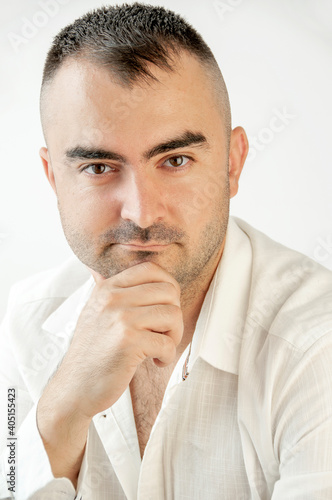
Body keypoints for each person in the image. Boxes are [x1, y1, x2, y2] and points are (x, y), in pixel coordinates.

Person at [0, 3, 332, 499]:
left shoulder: (314, 345)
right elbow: (8, 471)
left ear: (233, 163)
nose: (142, 213)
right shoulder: (21, 327)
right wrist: (61, 407)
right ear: (53, 177)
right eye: (97, 167)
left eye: (175, 160)